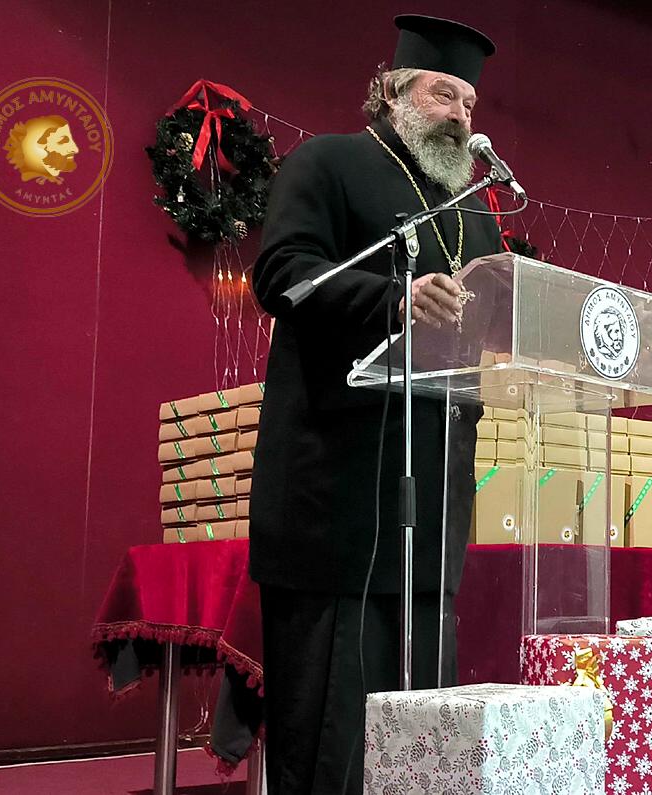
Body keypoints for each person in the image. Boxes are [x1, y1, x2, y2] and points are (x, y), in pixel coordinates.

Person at [248, 15, 502, 794]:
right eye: (443, 94)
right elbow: (284, 274)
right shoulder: (328, 162)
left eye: (469, 102)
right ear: (391, 92)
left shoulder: (475, 209)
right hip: (337, 501)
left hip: (433, 510)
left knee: (423, 731)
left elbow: (494, 320)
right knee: (333, 733)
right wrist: (394, 299)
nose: (460, 115)